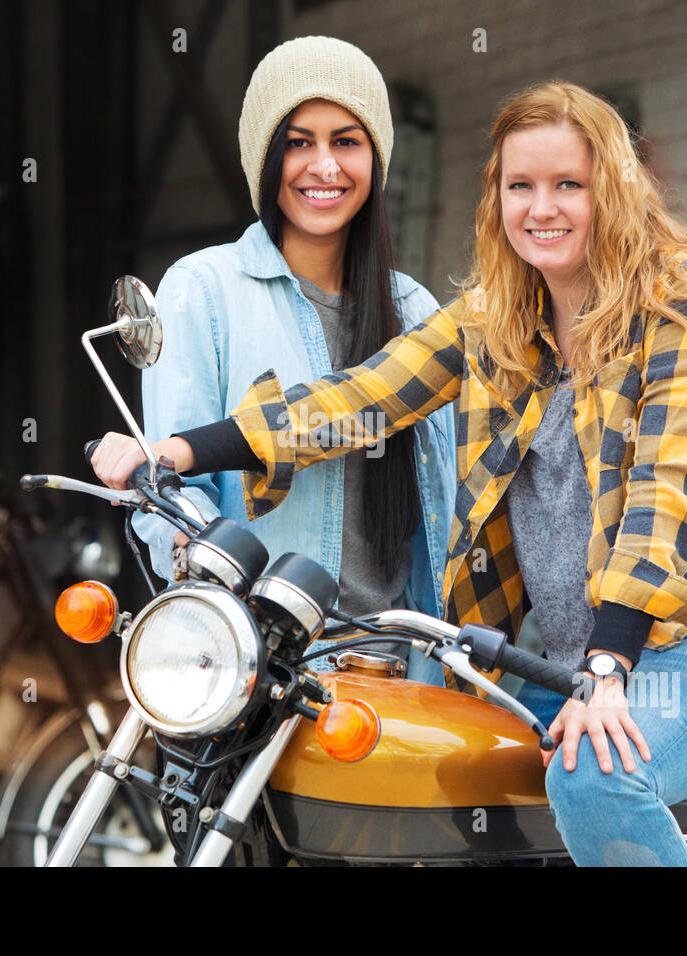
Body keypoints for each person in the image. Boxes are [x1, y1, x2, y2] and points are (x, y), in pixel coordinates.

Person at [94, 80, 687, 867]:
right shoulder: (497, 318)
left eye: (568, 184)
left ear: (611, 188)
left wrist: (609, 669)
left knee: (597, 775)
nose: (542, 208)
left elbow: (662, 492)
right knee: (423, 761)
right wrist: (178, 452)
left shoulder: (682, 303)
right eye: (521, 187)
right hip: (580, 663)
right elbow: (360, 398)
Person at [95, 36, 455, 683]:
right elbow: (172, 501)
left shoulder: (418, 309)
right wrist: (202, 564)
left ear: (376, 156)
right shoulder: (202, 289)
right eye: (298, 142)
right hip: (254, 672)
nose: (324, 166)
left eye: (347, 141)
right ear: (265, 158)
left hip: (398, 672)